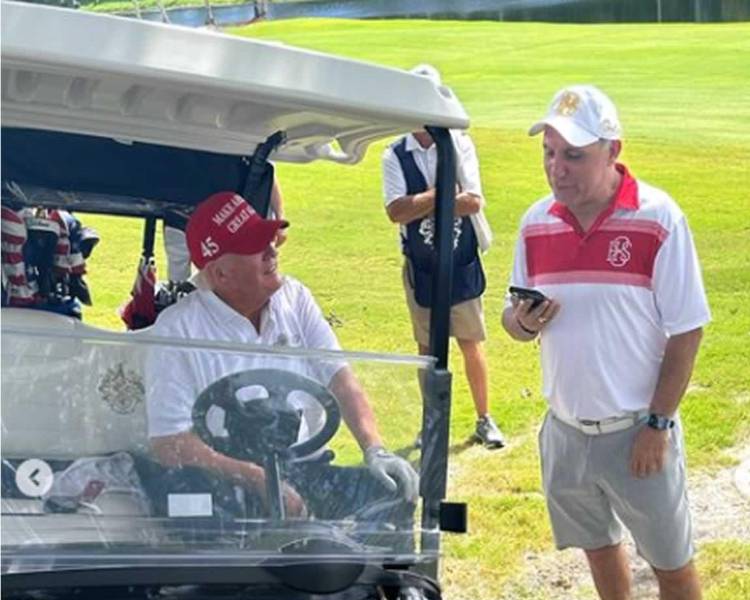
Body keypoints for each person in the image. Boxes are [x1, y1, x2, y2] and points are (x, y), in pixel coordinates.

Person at [503, 85, 722, 600]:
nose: (556, 169)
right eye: (548, 153)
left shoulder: (658, 217)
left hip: (637, 428)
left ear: (613, 151)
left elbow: (687, 329)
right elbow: (513, 321)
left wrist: (658, 422)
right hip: (566, 425)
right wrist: (525, 322)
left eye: (572, 155)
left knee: (671, 554)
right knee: (597, 540)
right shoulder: (534, 220)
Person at [144, 190, 418, 531]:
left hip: (304, 466)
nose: (271, 250)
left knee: (391, 493)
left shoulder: (295, 298)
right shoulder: (177, 329)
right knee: (208, 526)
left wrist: (375, 448)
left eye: (268, 239)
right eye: (254, 246)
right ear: (220, 274)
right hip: (223, 480)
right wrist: (261, 481)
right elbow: (169, 444)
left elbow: (340, 379)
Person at [381, 63, 505, 450]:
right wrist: (440, 194)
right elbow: (395, 211)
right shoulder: (394, 154)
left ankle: (484, 419)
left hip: (460, 256)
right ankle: (431, 423)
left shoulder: (460, 144)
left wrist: (423, 202)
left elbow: (472, 202)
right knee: (426, 347)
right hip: (421, 263)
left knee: (470, 341)